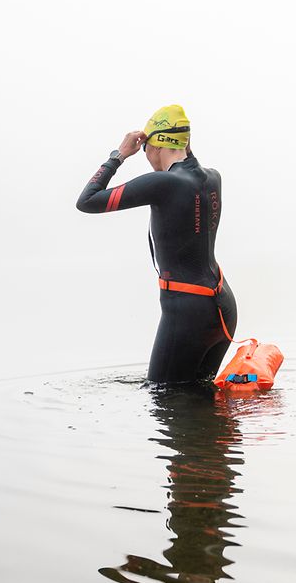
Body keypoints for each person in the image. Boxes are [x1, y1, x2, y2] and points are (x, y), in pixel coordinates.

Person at [75, 104, 237, 383]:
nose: (146, 155)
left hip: (187, 311)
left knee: (166, 403)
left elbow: (87, 201)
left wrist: (119, 155)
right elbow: (188, 157)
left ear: (158, 144)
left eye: (147, 148)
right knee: (201, 398)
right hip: (222, 305)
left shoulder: (163, 183)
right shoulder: (212, 178)